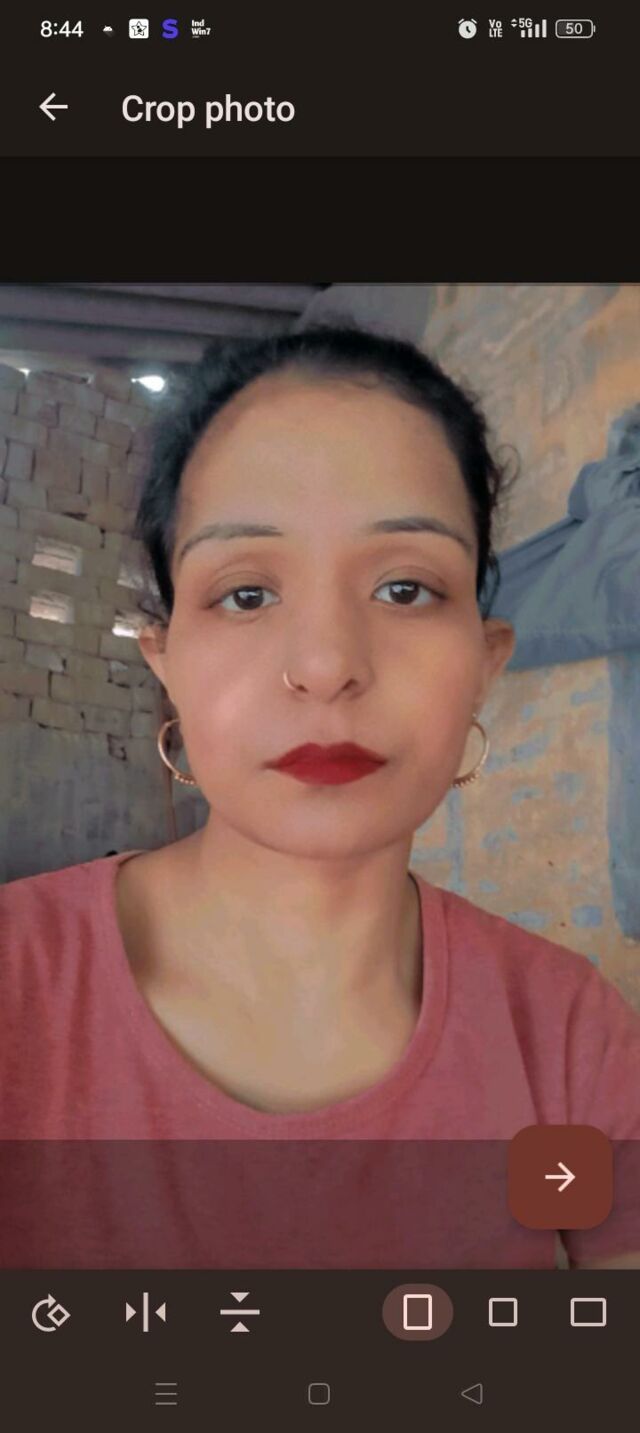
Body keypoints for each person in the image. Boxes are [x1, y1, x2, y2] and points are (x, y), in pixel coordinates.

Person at [1, 324, 639, 1271]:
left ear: (483, 661)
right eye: (246, 595)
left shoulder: (570, 1035)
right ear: (166, 662)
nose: (328, 663)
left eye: (405, 588)